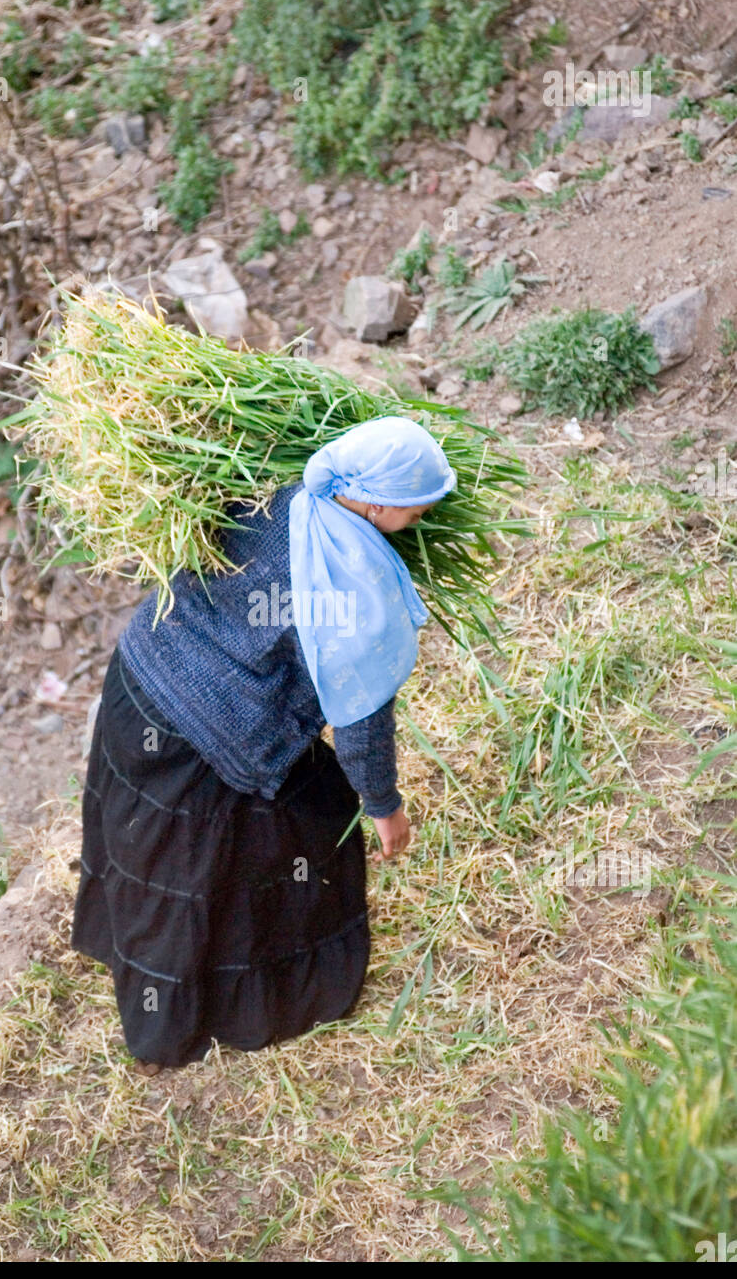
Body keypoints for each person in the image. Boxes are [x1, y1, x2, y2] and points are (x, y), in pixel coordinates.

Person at [71, 415, 457, 1066]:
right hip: (193, 735)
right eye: (419, 505)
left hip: (137, 671)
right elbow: (362, 722)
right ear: (378, 502)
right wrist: (384, 806)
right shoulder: (351, 582)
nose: (426, 515)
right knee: (226, 856)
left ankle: (184, 987)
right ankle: (186, 1023)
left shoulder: (277, 492)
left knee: (161, 854)